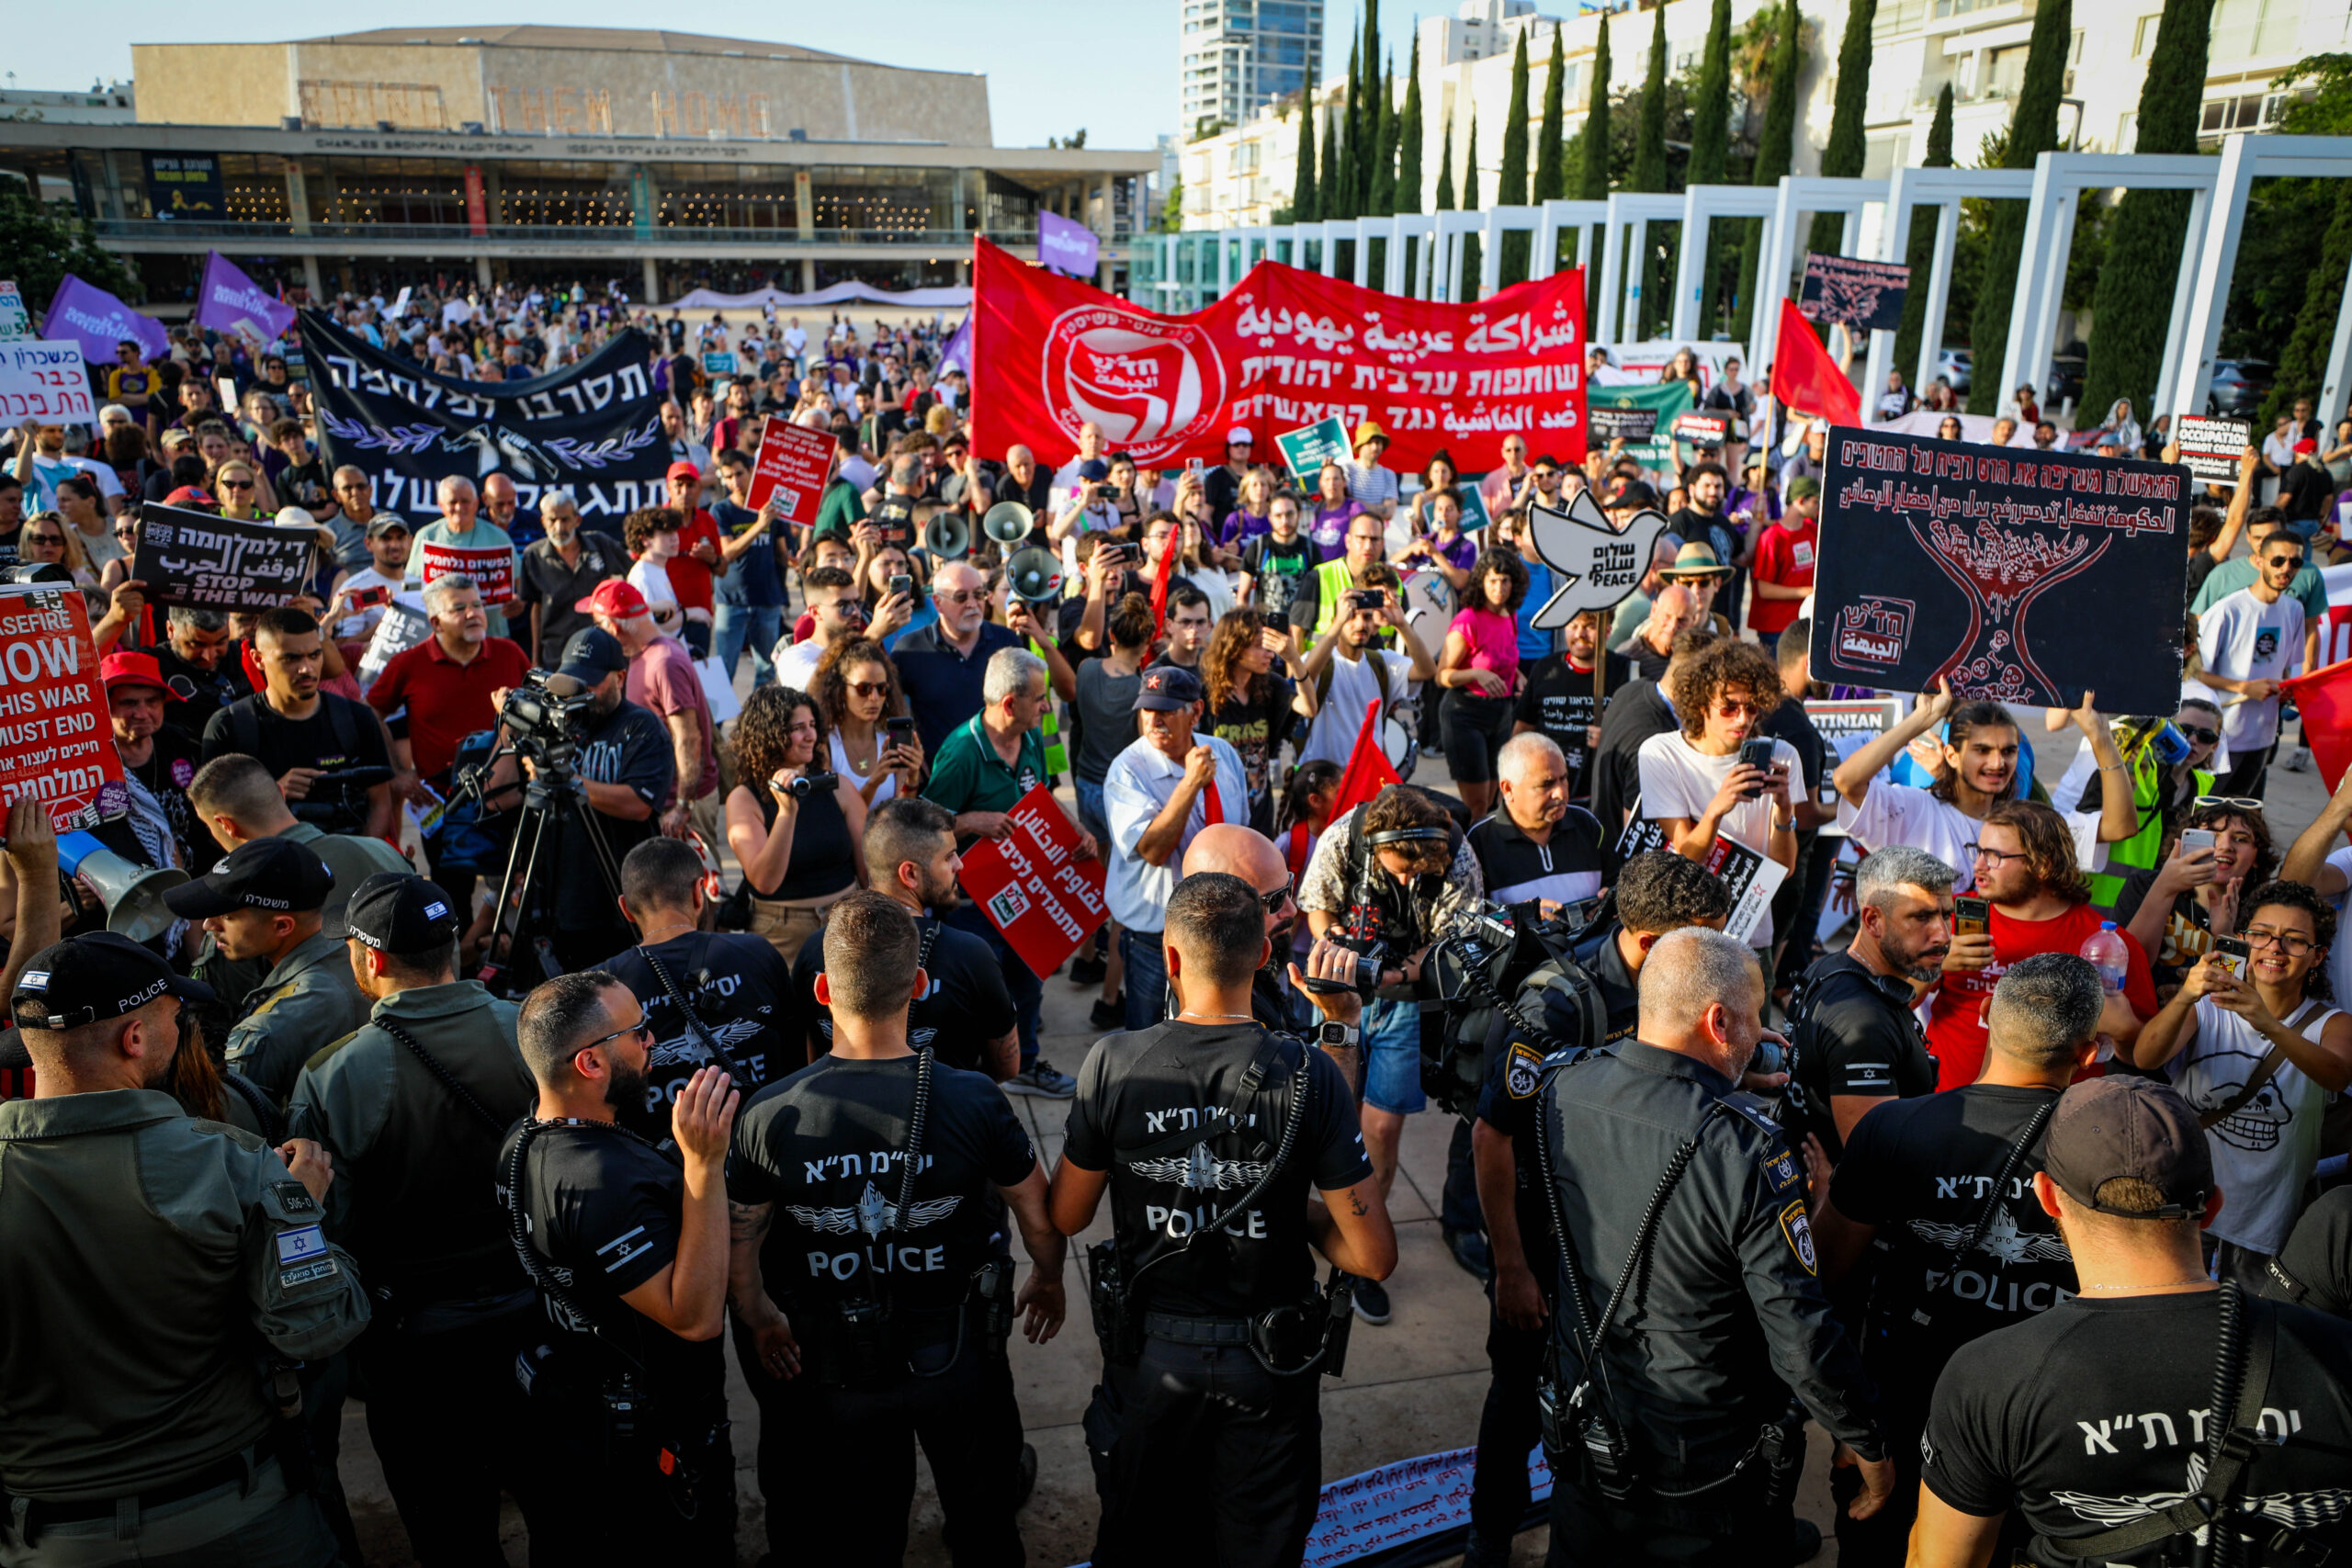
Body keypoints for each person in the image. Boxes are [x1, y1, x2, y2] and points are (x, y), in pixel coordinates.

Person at [1051, 871, 1396, 1568]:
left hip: (1151, 1362)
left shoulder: (1113, 1063)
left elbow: (1067, 1212)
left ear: (1170, 957)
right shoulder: (1310, 1073)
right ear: (1263, 956)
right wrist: (1286, 1203)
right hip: (1268, 1367)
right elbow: (1371, 1256)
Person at [0, 931, 368, 1568]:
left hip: (51, 1536)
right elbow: (320, 1324)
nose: (182, 1029)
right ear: (134, 1038)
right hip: (235, 1518)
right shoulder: (232, 1163)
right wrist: (297, 1209)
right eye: (173, 1016)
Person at [1532, 925, 1893, 1564]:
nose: (1762, 1035)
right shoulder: (1748, 1149)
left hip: (1590, 1434)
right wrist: (1866, 1440)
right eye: (1754, 1016)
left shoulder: (1564, 1085)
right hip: (1706, 1472)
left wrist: (1717, 1084)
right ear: (1718, 1021)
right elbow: (1800, 1334)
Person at [727, 891, 1066, 1566]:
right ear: (917, 985)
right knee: (984, 1521)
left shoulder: (769, 1113)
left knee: (863, 1532)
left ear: (822, 990)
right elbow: (1038, 1214)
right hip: (958, 1356)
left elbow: (743, 1244)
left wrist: (760, 1316)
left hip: (835, 1366)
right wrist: (1049, 1279)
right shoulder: (973, 1097)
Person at [1908, 1077, 2352, 1568]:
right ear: (2212, 1207)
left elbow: (1938, 1560)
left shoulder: (1992, 1376)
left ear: (2047, 1197)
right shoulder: (2335, 1350)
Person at [1811, 954, 2105, 1568]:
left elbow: (1824, 1277)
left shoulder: (1895, 1126)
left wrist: (1849, 1419)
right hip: (2048, 1424)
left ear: (1986, 1013)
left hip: (1907, 1413)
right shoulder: (2110, 1149)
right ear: (2088, 1053)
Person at [284, 871, 537, 1567]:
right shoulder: (532, 1030)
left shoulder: (333, 1075)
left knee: (452, 1540)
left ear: (370, 960)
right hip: (542, 1325)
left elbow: (326, 1229)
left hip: (414, 1353)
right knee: (569, 1519)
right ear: (453, 946)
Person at [503, 972, 740, 1562]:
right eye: (637, 1032)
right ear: (590, 1063)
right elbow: (693, 1318)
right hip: (642, 1447)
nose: (653, 1040)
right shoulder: (601, 1181)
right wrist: (703, 1166)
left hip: (580, 1412)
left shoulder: (523, 1136)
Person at [1301, 784, 1486, 1325]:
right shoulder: (1343, 838)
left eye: (1418, 872)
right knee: (1329, 1112)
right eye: (1399, 870)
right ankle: (1319, 1225)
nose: (1407, 881)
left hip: (1408, 1002)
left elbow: (1453, 940)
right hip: (1339, 995)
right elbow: (1317, 907)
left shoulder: (1458, 854)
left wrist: (1399, 973)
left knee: (1380, 1129)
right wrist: (1336, 942)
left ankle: (1360, 1252)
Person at [2123, 880, 2352, 1285]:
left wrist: (2268, 1024)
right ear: (2244, 941)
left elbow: (2337, 1073)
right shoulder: (2208, 1008)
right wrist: (2185, 996)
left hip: (2266, 1227)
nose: (2275, 948)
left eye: (2294, 940)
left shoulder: (2331, 1024)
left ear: (2317, 956)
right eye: (2261, 934)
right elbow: (2145, 1057)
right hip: (2184, 1211)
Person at [923, 647, 1098, 1098]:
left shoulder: (1031, 737)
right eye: (1040, 699)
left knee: (1030, 980)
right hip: (973, 901)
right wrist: (969, 821)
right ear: (1009, 703)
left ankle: (1027, 1065)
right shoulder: (962, 751)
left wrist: (1076, 829)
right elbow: (922, 825)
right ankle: (969, 1080)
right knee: (978, 990)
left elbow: (1040, 794)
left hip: (1026, 890)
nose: (1047, 708)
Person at [1928, 799, 2159, 1091]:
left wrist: (2124, 1029)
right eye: (1978, 851)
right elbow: (1898, 999)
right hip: (1952, 1104)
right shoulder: (1947, 918)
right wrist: (1936, 963)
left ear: (2042, 865)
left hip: (2058, 1113)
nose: (1978, 866)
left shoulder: (2107, 944)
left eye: (1994, 856)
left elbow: (2145, 1055)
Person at [483, 627, 675, 975]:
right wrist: (512, 723)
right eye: (573, 683)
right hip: (553, 896)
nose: (580, 693)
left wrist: (561, 776)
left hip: (616, 899)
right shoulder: (553, 721)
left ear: (620, 677)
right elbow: (497, 795)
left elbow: (638, 805)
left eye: (591, 683)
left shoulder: (642, 727)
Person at [792, 796, 1019, 1077]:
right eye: (948, 857)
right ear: (910, 873)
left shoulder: (817, 948)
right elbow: (1007, 1067)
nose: (959, 865)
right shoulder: (971, 955)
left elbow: (805, 1063)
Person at [1835, 682, 2132, 892]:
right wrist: (1922, 719)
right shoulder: (1918, 810)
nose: (1997, 763)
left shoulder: (2029, 825)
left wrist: (2100, 738)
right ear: (1952, 755)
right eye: (1982, 750)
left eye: (2008, 751)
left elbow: (2120, 827)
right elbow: (1847, 781)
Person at [599, 837, 793, 1138]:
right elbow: (797, 1056)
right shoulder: (759, 952)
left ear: (625, 908)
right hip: (769, 1144)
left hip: (657, 1159)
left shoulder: (602, 986)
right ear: (697, 893)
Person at [160, 838, 365, 1111]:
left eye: (227, 917)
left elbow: (226, 1116)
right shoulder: (355, 953)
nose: (209, 924)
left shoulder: (276, 1024)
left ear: (282, 926)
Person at [1104, 663, 1252, 1030]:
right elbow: (1153, 851)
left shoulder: (1223, 754)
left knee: (1211, 1030)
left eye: (1167, 710)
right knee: (1149, 1032)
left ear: (1196, 711)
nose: (1154, 720)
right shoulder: (1128, 769)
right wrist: (1190, 783)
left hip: (1220, 926)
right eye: (1147, 709)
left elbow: (1239, 833)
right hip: (1156, 936)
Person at [1783, 845, 1952, 1161]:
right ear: (1873, 920)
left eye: (1946, 915)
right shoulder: (1864, 1025)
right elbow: (1874, 1167)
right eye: (1921, 917)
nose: (1943, 936)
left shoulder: (1830, 966)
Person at [1635, 637, 1802, 942]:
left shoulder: (1782, 756)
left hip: (1750, 932)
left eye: (1752, 707)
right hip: (1685, 933)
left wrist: (1784, 809)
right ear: (1701, 705)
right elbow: (1686, 856)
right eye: (1729, 708)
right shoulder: (1661, 753)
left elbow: (1784, 869)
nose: (1743, 718)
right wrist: (1716, 809)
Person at [200, 606, 396, 841]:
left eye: (314, 655)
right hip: (268, 858)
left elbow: (380, 804)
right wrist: (273, 794)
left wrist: (352, 857)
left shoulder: (357, 719)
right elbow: (216, 820)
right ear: (258, 659)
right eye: (291, 658)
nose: (306, 668)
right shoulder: (229, 727)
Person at [725, 682, 869, 963]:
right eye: (798, 728)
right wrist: (786, 813)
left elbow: (868, 870)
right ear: (770, 734)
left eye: (812, 725)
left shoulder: (837, 786)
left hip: (845, 922)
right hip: (782, 932)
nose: (810, 735)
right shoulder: (744, 799)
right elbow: (765, 882)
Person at [893, 559, 1072, 760]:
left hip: (1001, 773)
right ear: (937, 603)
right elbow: (892, 709)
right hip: (938, 774)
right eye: (961, 597)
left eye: (978, 594)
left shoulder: (1006, 642)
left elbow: (1031, 708)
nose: (972, 604)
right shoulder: (910, 650)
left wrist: (1029, 763)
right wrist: (906, 761)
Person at [2196, 527, 2306, 798]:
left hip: (2264, 736)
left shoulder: (2294, 609)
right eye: (2278, 560)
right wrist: (2244, 687)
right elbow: (2194, 673)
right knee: (2205, 812)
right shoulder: (2228, 610)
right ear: (2259, 561)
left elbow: (2283, 667)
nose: (2286, 568)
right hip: (2222, 737)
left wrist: (2285, 689)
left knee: (2242, 814)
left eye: (2295, 562)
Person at [2115, 795, 2269, 985]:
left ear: (2257, 856)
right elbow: (2128, 969)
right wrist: (2164, 889)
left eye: (2240, 839)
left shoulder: (2262, 912)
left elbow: (2235, 989)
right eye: (2212, 836)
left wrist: (2226, 936)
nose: (2225, 846)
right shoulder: (2145, 886)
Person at [1295, 567, 1432, 768]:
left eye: (1367, 617)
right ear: (1336, 620)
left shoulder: (1383, 662)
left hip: (1366, 776)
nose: (1361, 625)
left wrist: (1402, 624)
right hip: (1324, 777)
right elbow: (1304, 676)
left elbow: (1427, 671)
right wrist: (1337, 624)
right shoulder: (1320, 660)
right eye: (1352, 617)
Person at [1434, 547, 1531, 820]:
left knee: (1493, 798)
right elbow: (1441, 676)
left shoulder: (1509, 614)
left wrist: (1517, 675)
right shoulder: (1468, 619)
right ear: (1481, 582)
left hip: (1501, 713)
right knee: (1476, 804)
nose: (1499, 588)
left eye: (1505, 581)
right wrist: (1477, 674)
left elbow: (1501, 656)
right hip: (1466, 714)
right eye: (1493, 580)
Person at [1472, 731, 1607, 914]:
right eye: (1546, 784)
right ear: (1508, 789)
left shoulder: (1587, 825)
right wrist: (1516, 919)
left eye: (1564, 779)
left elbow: (1616, 884)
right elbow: (1468, 918)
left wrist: (1609, 903)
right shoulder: (1479, 842)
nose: (1560, 793)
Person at [103, 648, 209, 868]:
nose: (142, 714)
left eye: (152, 702)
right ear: (105, 706)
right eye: (129, 703)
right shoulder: (93, 762)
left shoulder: (176, 740)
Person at [1513, 608, 1630, 805]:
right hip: (1546, 790)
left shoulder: (1626, 672)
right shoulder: (1545, 669)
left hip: (1601, 793)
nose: (1580, 634)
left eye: (1590, 627)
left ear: (1608, 631)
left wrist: (1611, 737)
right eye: (1573, 626)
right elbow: (1523, 727)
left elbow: (1637, 735)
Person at [514, 489, 626, 665]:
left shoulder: (600, 544)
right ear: (543, 522)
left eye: (565, 520)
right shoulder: (533, 556)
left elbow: (633, 575)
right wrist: (535, 659)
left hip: (601, 649)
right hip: (557, 655)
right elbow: (536, 608)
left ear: (577, 520)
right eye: (552, 520)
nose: (559, 528)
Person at [709, 450, 791, 685]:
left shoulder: (770, 508)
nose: (735, 481)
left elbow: (782, 553)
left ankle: (758, 711)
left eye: (739, 474)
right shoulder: (721, 511)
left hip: (766, 599)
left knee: (767, 668)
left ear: (751, 471)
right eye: (728, 477)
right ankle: (721, 712)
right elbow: (727, 553)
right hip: (731, 600)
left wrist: (797, 558)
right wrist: (759, 525)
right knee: (723, 670)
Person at [404, 475, 520, 640]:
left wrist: (519, 601)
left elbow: (520, 583)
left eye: (465, 501)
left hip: (491, 636)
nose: (459, 508)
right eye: (452, 502)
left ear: (476, 504)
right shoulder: (427, 536)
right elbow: (411, 586)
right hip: (441, 638)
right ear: (441, 505)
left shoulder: (499, 538)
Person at [1747, 475, 1818, 641]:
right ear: (1800, 501)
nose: (1818, 507)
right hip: (1776, 627)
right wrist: (1807, 591)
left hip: (1805, 621)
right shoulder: (1771, 538)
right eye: (1815, 502)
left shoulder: (1813, 529)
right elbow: (1764, 589)